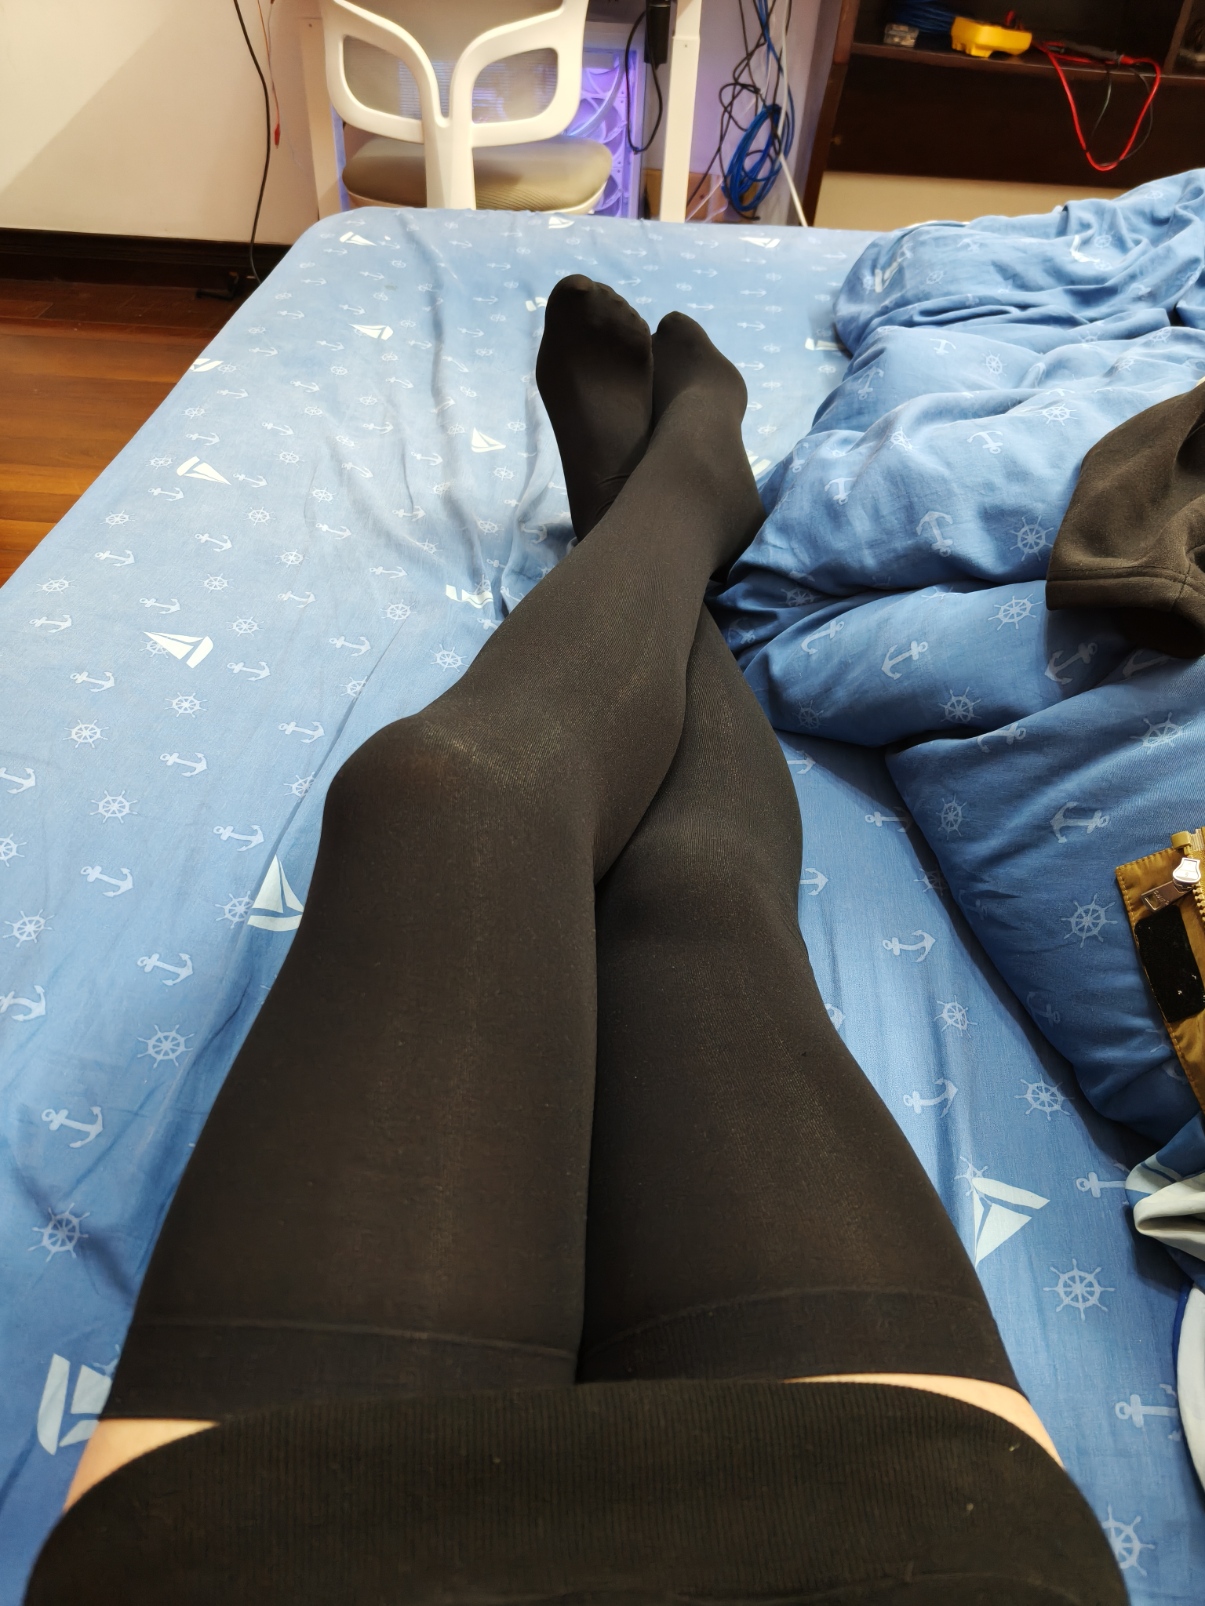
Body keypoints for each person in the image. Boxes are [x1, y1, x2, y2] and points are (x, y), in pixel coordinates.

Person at [27, 279, 1124, 1605]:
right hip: (898, 1532)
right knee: (692, 900)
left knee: (443, 799)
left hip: (278, 1541)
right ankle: (673, 492)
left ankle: (666, 497)